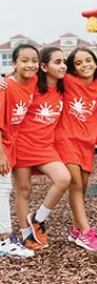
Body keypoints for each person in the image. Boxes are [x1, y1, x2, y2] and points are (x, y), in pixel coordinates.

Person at [12, 47, 71, 249]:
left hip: (45, 146)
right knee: (24, 190)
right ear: (44, 67)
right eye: (57, 62)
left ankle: (38, 219)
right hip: (22, 143)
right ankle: (27, 236)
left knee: (63, 178)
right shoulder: (33, 83)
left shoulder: (65, 87)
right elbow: (13, 85)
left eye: (64, 61)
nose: (63, 66)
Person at [55, 47, 97, 251]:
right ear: (72, 68)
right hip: (66, 138)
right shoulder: (67, 81)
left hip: (87, 142)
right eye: (79, 63)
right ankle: (85, 232)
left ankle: (75, 228)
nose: (85, 65)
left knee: (83, 185)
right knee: (75, 183)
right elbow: (40, 74)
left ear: (95, 62)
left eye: (88, 60)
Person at [0, 44, 38, 258]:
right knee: (3, 189)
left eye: (34, 60)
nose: (30, 64)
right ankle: (5, 239)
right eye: (24, 60)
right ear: (14, 64)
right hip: (2, 145)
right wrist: (1, 154)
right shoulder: (5, 87)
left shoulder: (32, 82)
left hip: (10, 142)